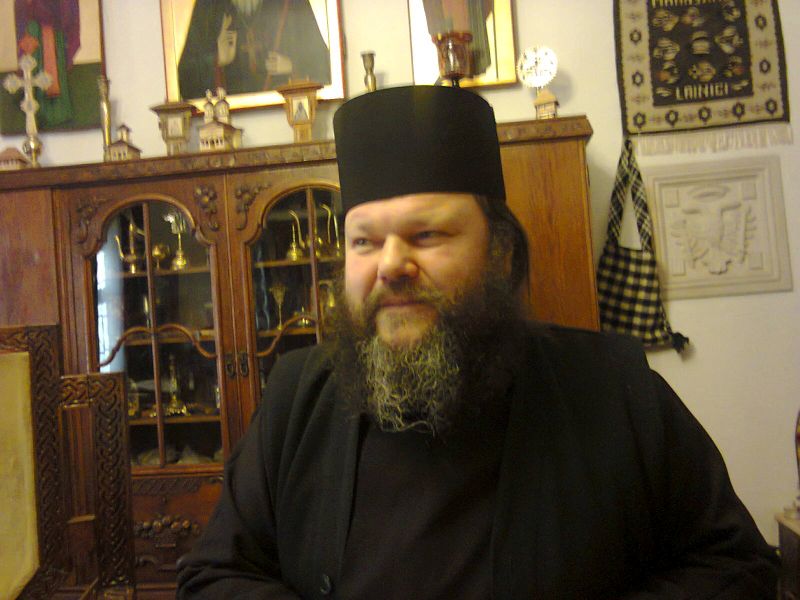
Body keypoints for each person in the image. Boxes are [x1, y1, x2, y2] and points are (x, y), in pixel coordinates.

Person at [176, 85, 779, 598]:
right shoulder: (295, 398)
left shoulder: (616, 388)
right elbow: (213, 575)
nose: (390, 265)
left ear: (501, 253)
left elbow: (737, 567)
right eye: (364, 241)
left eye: (427, 234)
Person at [177, 0, 332, 100]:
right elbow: (184, 79)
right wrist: (216, 60)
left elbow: (324, 67)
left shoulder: (290, 4)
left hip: (281, 114)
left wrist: (293, 66)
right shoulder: (208, 6)